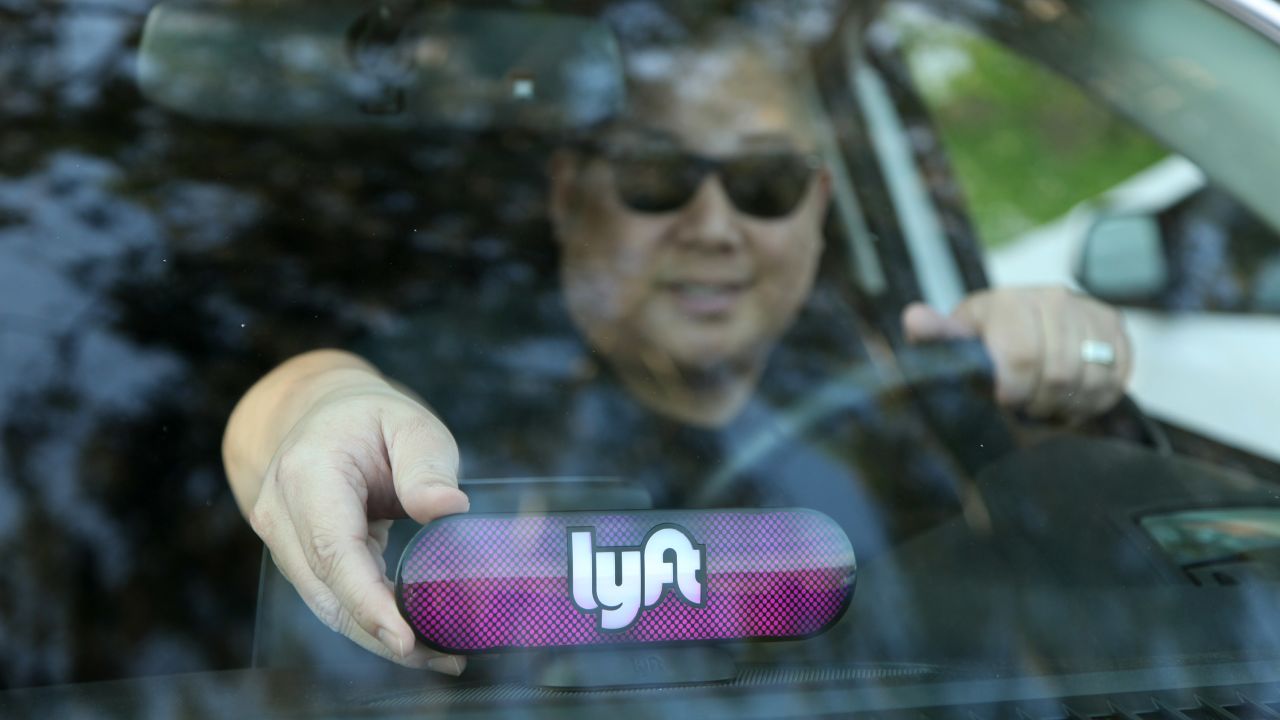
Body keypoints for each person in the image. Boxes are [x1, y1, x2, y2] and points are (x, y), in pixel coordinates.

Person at [221, 27, 1132, 676]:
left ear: (818, 206)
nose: (715, 227)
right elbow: (306, 404)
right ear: (572, 194)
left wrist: (1071, 358)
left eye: (764, 184)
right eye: (659, 178)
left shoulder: (899, 380)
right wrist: (315, 410)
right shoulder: (480, 382)